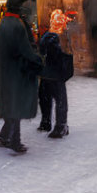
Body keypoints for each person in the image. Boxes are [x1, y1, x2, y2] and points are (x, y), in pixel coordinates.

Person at [0, 0, 43, 154]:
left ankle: (5, 135)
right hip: (17, 72)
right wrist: (39, 60)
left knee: (11, 104)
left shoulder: (2, 23)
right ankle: (14, 141)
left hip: (6, 69)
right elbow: (25, 51)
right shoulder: (17, 26)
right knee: (17, 105)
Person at [37, 9, 73, 139]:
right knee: (57, 100)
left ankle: (56, 125)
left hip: (50, 74)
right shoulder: (61, 37)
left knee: (49, 99)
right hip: (54, 74)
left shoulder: (49, 36)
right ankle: (58, 124)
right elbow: (67, 55)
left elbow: (43, 51)